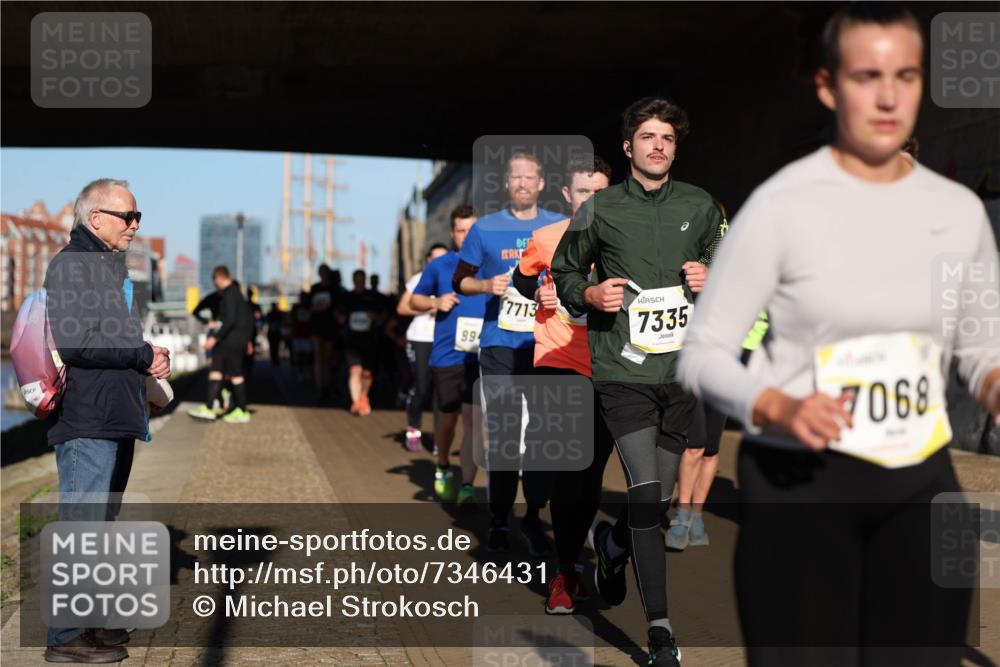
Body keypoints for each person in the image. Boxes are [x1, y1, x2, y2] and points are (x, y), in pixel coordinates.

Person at [678, 5, 998, 665]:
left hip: (918, 479)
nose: (888, 96)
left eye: (906, 75)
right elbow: (703, 353)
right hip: (802, 481)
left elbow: (979, 342)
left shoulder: (958, 210)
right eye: (866, 75)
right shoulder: (780, 205)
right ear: (828, 86)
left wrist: (995, 380)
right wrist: (777, 404)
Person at [552, 97, 726, 666]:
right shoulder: (599, 209)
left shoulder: (702, 206)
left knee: (662, 497)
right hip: (622, 372)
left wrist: (713, 276)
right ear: (628, 147)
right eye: (648, 137)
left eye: (668, 138)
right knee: (646, 493)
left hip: (681, 374)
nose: (658, 146)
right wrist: (589, 294)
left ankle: (613, 543)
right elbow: (566, 270)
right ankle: (661, 635)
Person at [43, 178, 172, 663]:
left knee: (101, 525)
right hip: (88, 418)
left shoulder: (108, 266)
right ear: (95, 218)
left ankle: (92, 624)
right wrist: (140, 354)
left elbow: (117, 341)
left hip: (116, 415)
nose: (135, 225)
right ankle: (66, 639)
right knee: (80, 525)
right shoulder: (72, 265)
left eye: (138, 217)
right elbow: (76, 344)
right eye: (128, 216)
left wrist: (151, 359)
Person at [511, 153, 619, 614]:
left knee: (590, 473)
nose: (590, 200)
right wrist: (537, 291)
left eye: (599, 191)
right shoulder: (546, 237)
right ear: (565, 195)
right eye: (582, 192)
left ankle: (584, 552)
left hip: (612, 365)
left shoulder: (627, 237)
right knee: (568, 469)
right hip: (557, 359)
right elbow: (520, 279)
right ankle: (564, 572)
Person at [453, 152, 563, 555]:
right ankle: (499, 519)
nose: (521, 183)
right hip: (499, 344)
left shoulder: (557, 226)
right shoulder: (484, 229)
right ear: (506, 185)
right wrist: (485, 287)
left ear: (540, 184)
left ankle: (533, 513)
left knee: (539, 438)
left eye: (528, 177)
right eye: (514, 176)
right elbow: (459, 281)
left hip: (544, 346)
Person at [412, 206, 487, 504]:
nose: (466, 235)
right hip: (447, 355)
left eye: (472, 230)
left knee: (473, 422)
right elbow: (413, 299)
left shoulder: (491, 264)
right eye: (460, 230)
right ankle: (443, 464)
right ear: (452, 233)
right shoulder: (440, 266)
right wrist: (435, 301)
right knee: (447, 420)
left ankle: (467, 485)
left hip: (481, 355)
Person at [397, 244, 449, 452]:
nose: (438, 263)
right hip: (420, 338)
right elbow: (401, 307)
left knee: (442, 390)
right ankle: (414, 429)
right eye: (434, 258)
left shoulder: (453, 279)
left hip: (443, 339)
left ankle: (440, 438)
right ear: (427, 260)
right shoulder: (418, 279)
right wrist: (433, 304)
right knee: (422, 386)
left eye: (443, 259)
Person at [188, 266, 254, 424]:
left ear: (218, 278)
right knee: (217, 371)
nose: (215, 284)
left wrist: (214, 338)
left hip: (229, 341)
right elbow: (246, 319)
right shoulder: (236, 293)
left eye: (215, 281)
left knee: (234, 374)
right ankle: (211, 407)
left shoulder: (230, 294)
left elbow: (229, 320)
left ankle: (240, 410)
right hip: (232, 341)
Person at [338, 269, 384, 416]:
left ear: (365, 280)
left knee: (367, 373)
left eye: (362, 279)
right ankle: (356, 402)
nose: (359, 282)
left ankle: (364, 395)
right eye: (357, 279)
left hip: (369, 340)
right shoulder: (347, 297)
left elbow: (383, 315)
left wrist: (375, 316)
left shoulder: (372, 297)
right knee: (354, 370)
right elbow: (338, 315)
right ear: (353, 280)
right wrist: (341, 318)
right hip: (352, 340)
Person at [309, 264, 340, 401]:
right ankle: (319, 386)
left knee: (327, 358)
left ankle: (327, 384)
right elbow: (309, 306)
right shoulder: (315, 288)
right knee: (318, 358)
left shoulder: (334, 289)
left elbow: (337, 307)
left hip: (330, 326)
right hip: (317, 326)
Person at [265, 302, 287, 367]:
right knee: (273, 347)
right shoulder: (273, 314)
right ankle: (274, 360)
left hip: (275, 332)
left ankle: (275, 360)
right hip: (273, 332)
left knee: (275, 347)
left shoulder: (277, 313)